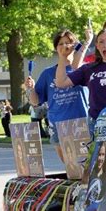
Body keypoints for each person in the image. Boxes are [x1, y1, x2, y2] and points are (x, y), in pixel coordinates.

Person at [25, 29, 90, 163]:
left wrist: (86, 43)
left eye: (68, 42)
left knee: (86, 166)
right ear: (56, 47)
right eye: (60, 43)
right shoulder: (48, 73)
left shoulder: (83, 69)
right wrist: (30, 89)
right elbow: (35, 102)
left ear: (75, 46)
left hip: (82, 123)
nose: (64, 46)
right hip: (57, 125)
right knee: (69, 166)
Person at [55, 27, 106, 131]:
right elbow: (61, 83)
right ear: (97, 45)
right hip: (96, 123)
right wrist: (62, 57)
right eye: (101, 42)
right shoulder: (88, 68)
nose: (105, 45)